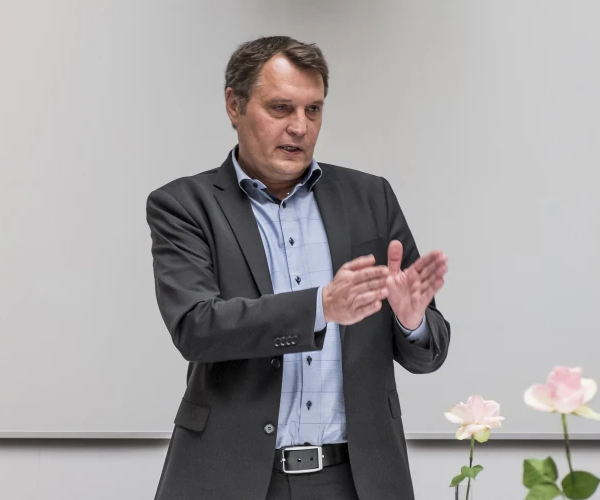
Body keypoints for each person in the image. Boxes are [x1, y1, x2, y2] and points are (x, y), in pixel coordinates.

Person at [145, 35, 451, 500]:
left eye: (313, 110)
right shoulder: (186, 206)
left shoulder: (371, 198)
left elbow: (428, 353)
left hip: (357, 479)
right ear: (234, 104)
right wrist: (320, 306)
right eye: (281, 108)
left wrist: (410, 323)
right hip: (233, 477)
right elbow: (196, 328)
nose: (300, 128)